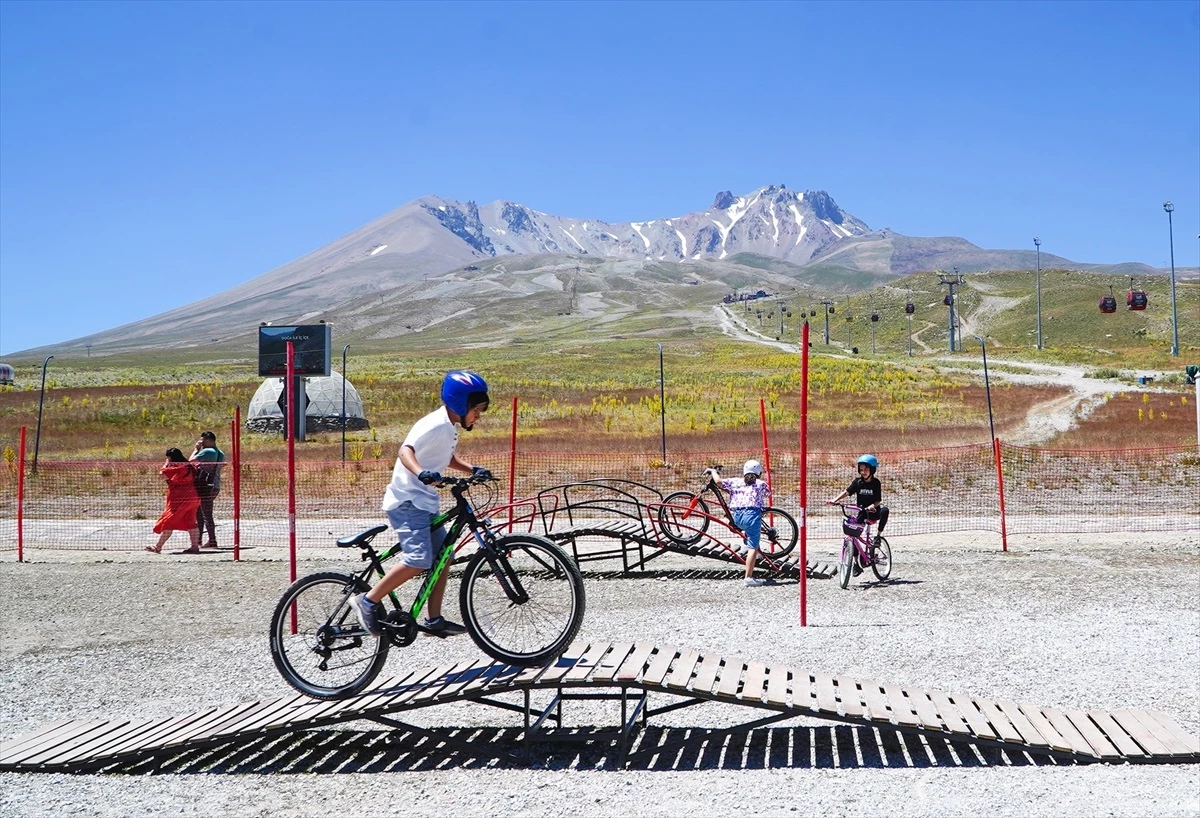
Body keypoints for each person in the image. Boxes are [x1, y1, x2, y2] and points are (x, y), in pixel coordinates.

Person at [350, 371, 492, 637]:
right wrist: (420, 472)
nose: (478, 416)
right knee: (418, 559)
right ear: (460, 404)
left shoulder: (448, 427)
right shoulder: (435, 424)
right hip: (407, 501)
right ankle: (367, 601)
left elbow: (445, 458)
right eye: (476, 410)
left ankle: (433, 619)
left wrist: (472, 469)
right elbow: (406, 451)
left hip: (423, 502)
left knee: (443, 556)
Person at [709, 459, 772, 587]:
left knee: (747, 534)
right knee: (753, 547)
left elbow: (719, 482)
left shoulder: (735, 481)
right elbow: (768, 494)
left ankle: (747, 541)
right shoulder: (761, 484)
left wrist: (712, 471)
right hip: (752, 516)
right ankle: (748, 578)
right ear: (758, 472)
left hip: (737, 517)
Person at [829, 454, 890, 573]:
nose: (863, 472)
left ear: (872, 470)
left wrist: (873, 506)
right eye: (861, 470)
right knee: (853, 535)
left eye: (866, 469)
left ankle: (877, 536)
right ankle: (856, 564)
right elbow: (847, 492)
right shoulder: (858, 482)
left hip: (873, 512)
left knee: (885, 510)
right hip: (862, 513)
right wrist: (835, 500)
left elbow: (878, 500)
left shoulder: (876, 483)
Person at [147, 448, 202, 553]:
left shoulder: (178, 467)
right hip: (194, 497)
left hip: (180, 499)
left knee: (168, 522)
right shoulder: (189, 466)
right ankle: (195, 546)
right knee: (191, 521)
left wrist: (166, 464)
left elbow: (161, 474)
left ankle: (158, 547)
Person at [189, 431, 225, 549]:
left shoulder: (207, 451)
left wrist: (196, 449)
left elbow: (190, 462)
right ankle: (200, 539)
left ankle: (211, 541)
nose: (201, 443)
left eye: (203, 440)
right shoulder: (220, 453)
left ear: (209, 441)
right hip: (215, 485)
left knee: (206, 514)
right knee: (201, 512)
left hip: (205, 486)